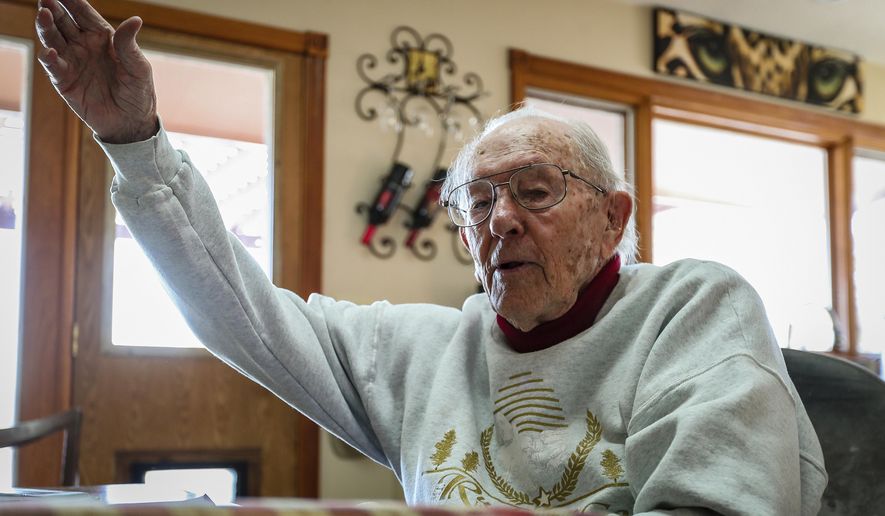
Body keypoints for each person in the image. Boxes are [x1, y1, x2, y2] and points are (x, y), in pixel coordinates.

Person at [35, 0, 827, 513]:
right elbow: (242, 317)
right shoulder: (416, 352)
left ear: (611, 218)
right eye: (476, 203)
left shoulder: (692, 309)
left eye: (537, 190)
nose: (500, 221)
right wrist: (135, 144)